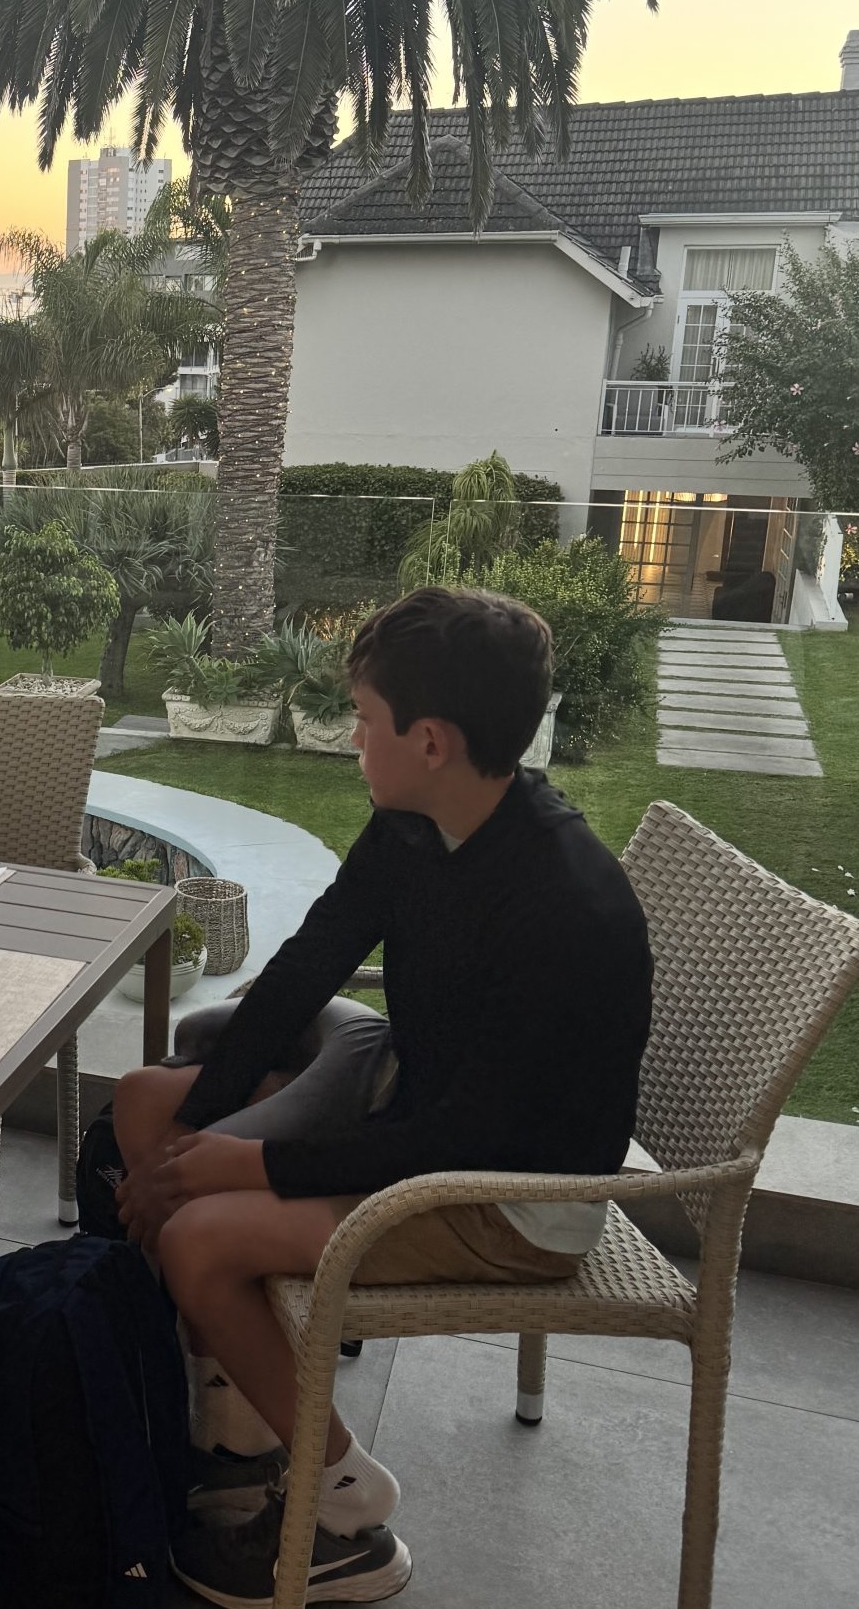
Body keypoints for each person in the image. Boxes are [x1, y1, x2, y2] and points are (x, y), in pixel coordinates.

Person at [111, 587, 651, 1606]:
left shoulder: (562, 909)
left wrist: (248, 1164)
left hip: (509, 1196)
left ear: (430, 741)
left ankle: (342, 1508)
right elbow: (306, 967)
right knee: (146, 1103)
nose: (353, 740)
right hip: (415, 1103)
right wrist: (189, 1127)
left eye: (363, 720)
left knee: (197, 1238)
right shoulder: (414, 824)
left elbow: (465, 1137)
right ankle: (239, 1429)